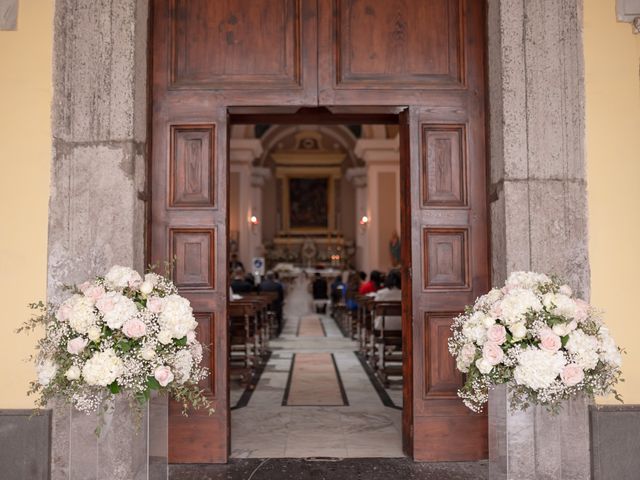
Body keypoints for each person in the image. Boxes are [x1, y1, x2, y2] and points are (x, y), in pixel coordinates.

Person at [259, 271, 285, 335]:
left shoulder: (261, 285)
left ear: (266, 277)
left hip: (264, 308)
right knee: (280, 306)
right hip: (275, 308)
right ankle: (279, 328)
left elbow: (259, 295)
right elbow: (281, 297)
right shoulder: (278, 285)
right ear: (273, 277)